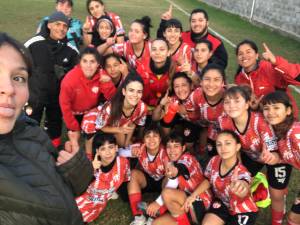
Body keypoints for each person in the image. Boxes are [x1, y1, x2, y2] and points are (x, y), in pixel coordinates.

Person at [0, 32, 93, 225]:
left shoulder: (29, 128)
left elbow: (68, 190)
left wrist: (75, 168)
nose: (9, 88)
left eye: (18, 78)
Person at [25, 11, 78, 148]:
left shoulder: (70, 50)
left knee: (54, 124)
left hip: (57, 96)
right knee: (30, 122)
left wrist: (65, 73)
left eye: (65, 26)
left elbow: (78, 71)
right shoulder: (34, 43)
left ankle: (51, 150)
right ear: (49, 25)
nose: (61, 28)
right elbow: (18, 60)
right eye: (57, 24)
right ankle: (28, 147)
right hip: (35, 94)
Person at [184, 130, 258, 225]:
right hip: (222, 203)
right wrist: (193, 195)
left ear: (237, 147)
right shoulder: (214, 160)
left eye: (228, 143)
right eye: (219, 144)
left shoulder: (242, 172)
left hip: (242, 209)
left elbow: (244, 184)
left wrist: (241, 187)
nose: (223, 148)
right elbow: (207, 179)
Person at [59, 47, 116, 157]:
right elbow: (64, 106)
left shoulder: (101, 74)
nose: (88, 66)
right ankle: (71, 145)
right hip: (74, 113)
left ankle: (89, 155)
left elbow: (112, 98)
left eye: (92, 61)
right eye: (85, 61)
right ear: (80, 62)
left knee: (92, 134)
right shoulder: (70, 80)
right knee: (74, 143)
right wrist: (74, 126)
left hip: (91, 111)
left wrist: (107, 83)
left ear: (98, 63)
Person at [218, 86, 281, 176]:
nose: (231, 105)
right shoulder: (223, 122)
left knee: (276, 188)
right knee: (241, 180)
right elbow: (235, 149)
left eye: (237, 101)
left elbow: (274, 152)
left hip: (277, 155)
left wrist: (271, 157)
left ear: (247, 104)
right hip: (252, 157)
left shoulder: (261, 122)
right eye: (227, 102)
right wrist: (238, 167)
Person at [152, 132, 212, 225]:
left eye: (176, 146)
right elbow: (165, 185)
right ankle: (184, 221)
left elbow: (180, 168)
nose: (172, 150)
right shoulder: (172, 162)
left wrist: (157, 203)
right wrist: (168, 175)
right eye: (169, 146)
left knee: (167, 193)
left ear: (183, 148)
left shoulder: (187, 158)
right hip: (186, 203)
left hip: (201, 203)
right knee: (156, 223)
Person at [118, 123, 169, 225]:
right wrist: (131, 152)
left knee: (169, 179)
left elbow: (173, 178)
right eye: (148, 136)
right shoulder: (140, 147)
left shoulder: (166, 152)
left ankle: (153, 216)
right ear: (143, 139)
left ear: (160, 139)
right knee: (133, 174)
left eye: (155, 136)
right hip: (148, 179)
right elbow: (119, 152)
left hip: (163, 181)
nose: (151, 140)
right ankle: (139, 217)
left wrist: (158, 203)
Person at [261, 91, 299, 225]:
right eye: (266, 108)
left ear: (288, 110)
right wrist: (274, 158)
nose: (270, 112)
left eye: (276, 107)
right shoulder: (273, 130)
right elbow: (287, 157)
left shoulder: (295, 133)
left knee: (294, 218)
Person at [235, 40, 300, 117]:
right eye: (240, 54)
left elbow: (297, 77)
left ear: (256, 55)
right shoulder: (239, 78)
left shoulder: (269, 68)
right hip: (262, 122)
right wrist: (254, 108)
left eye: (248, 52)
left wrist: (276, 62)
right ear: (238, 59)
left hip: (284, 119)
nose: (244, 56)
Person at [81, 73, 148, 147]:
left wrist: (127, 141)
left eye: (139, 91)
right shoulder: (109, 108)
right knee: (93, 138)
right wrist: (120, 130)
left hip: (119, 124)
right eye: (131, 90)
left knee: (125, 144)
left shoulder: (142, 107)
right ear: (124, 91)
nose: (135, 95)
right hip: (97, 121)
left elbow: (133, 123)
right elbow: (101, 127)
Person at [76, 132, 130, 223]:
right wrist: (90, 170)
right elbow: (76, 186)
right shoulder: (90, 165)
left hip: (99, 203)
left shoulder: (123, 162)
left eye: (111, 147)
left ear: (116, 148)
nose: (108, 152)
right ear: (97, 151)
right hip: (82, 200)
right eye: (103, 149)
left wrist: (125, 196)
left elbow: (125, 179)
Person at [160, 6, 228, 68]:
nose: (197, 24)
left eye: (200, 20)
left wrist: (206, 59)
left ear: (207, 23)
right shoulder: (182, 36)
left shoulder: (216, 42)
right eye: (193, 21)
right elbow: (163, 41)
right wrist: (164, 22)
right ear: (190, 23)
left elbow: (221, 65)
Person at [152, 72, 200, 149]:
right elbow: (155, 118)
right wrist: (161, 105)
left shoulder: (196, 96)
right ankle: (166, 144)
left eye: (184, 85)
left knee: (188, 143)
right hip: (184, 118)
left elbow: (183, 109)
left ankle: (192, 149)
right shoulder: (174, 98)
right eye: (176, 86)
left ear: (191, 86)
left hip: (197, 122)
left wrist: (171, 105)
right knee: (165, 118)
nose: (180, 89)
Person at [187, 64, 226, 157]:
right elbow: (192, 115)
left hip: (238, 138)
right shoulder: (196, 95)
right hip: (211, 130)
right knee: (212, 155)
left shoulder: (231, 99)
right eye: (207, 79)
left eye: (216, 80)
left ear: (223, 82)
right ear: (201, 82)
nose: (211, 84)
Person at [136, 38, 176, 110]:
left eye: (162, 49)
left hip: (165, 106)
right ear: (150, 53)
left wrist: (190, 73)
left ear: (168, 52)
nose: (157, 53)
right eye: (154, 49)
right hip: (144, 106)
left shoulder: (174, 68)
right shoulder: (142, 67)